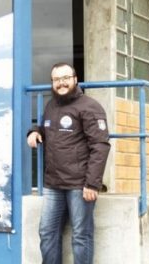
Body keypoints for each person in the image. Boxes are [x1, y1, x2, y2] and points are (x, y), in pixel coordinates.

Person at [27, 62, 111, 264]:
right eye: (56, 79)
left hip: (79, 185)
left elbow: (100, 146)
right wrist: (35, 131)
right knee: (47, 232)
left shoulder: (90, 107)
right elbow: (46, 128)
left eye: (65, 78)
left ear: (75, 79)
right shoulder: (51, 106)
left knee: (81, 236)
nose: (61, 83)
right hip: (53, 184)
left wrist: (92, 184)